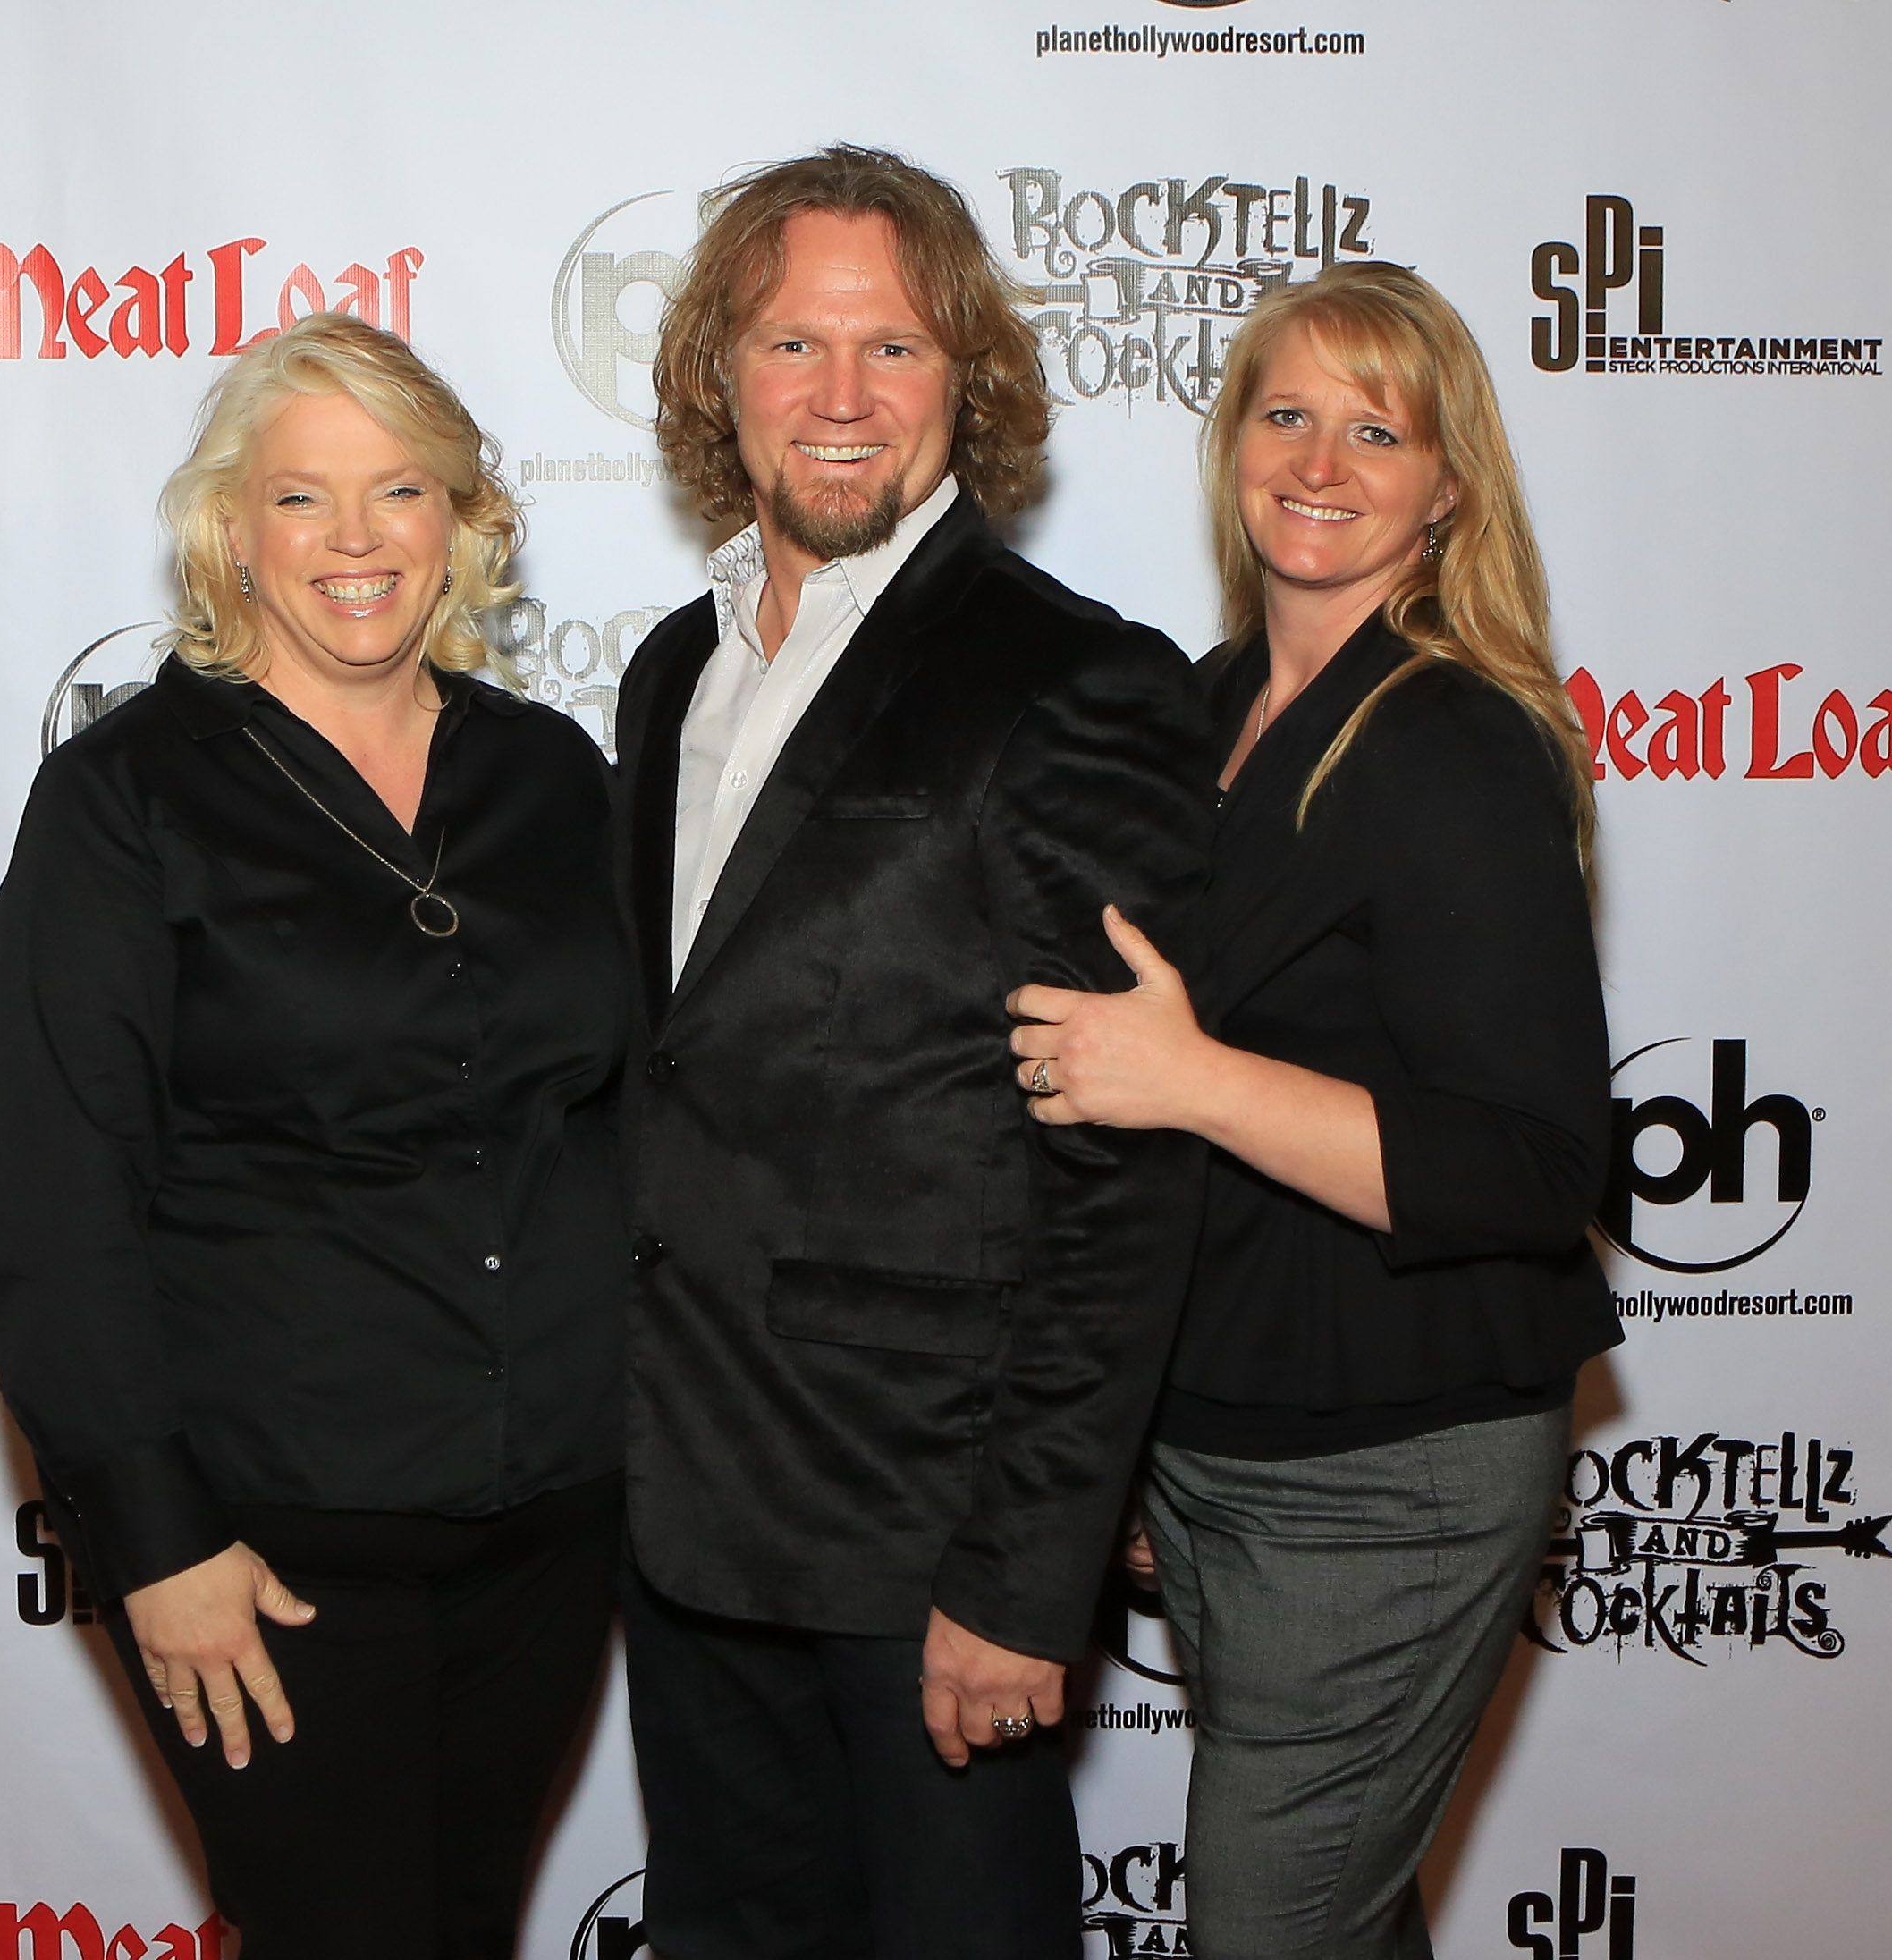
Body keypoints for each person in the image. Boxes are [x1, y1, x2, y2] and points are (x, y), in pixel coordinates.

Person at [612, 145, 1213, 1960]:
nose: (844, 397)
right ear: (721, 375)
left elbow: (1131, 1169)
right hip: (684, 1516)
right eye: (795, 345)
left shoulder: (1077, 680)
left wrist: (1026, 1577)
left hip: (926, 1550)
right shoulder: (668, 672)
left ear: (971, 381)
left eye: (894, 348)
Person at [0, 313, 627, 1960]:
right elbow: (58, 1199)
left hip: (551, 1513)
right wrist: (158, 1541)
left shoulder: (553, 775)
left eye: (399, 492)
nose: (353, 543)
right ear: (227, 532)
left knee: (465, 1928)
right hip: (266, 1542)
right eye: (301, 500)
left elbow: (626, 1105)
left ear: (464, 525)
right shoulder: (127, 798)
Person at [1007, 262, 1620, 1958]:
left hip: (1391, 1473)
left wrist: (1196, 1080)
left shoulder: (1457, 745)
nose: (1322, 462)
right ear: (1230, 445)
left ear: (1449, 486)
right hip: (1219, 1443)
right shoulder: (1195, 715)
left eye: (1378, 429)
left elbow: (1535, 1163)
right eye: (1288, 414)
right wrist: (1126, 1430)